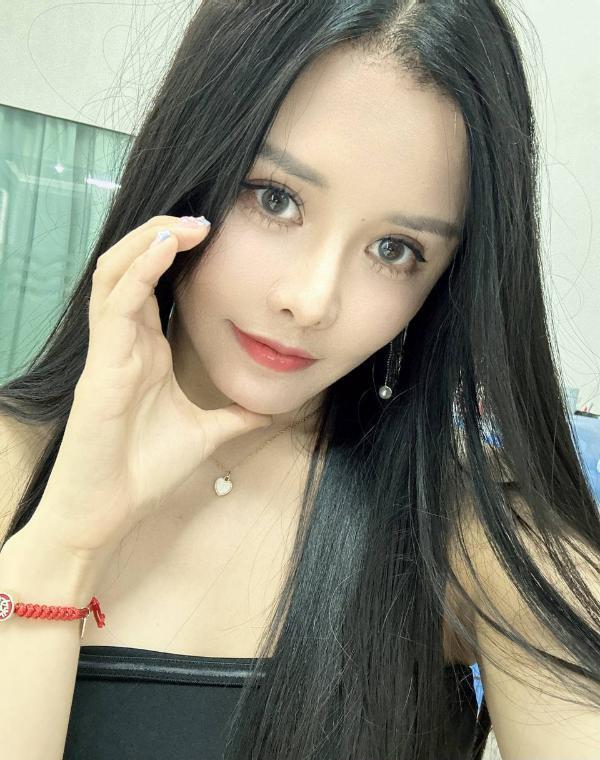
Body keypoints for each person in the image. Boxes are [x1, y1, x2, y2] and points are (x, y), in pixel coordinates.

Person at [0, 1, 598, 759]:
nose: (312, 301)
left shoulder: (472, 537)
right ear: (190, 165)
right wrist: (61, 546)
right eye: (275, 198)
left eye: (395, 249)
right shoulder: (14, 463)